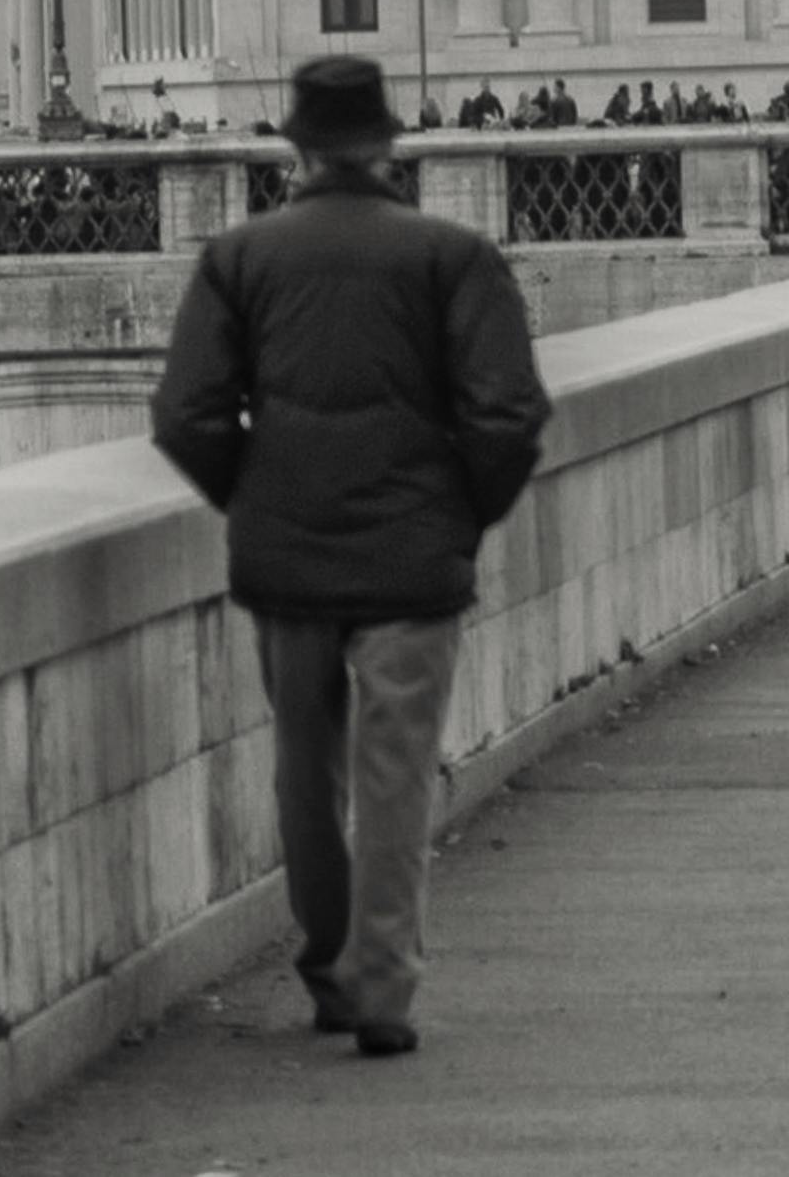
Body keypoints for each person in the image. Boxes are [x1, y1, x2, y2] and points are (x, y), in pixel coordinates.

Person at [149, 55, 549, 1058]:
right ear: (385, 145)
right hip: (413, 556)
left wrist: (253, 494)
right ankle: (381, 984)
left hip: (286, 555)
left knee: (304, 770)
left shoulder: (239, 260)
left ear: (298, 147)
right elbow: (506, 414)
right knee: (395, 772)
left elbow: (186, 412)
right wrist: (459, 516)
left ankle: (327, 961)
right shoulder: (452, 257)